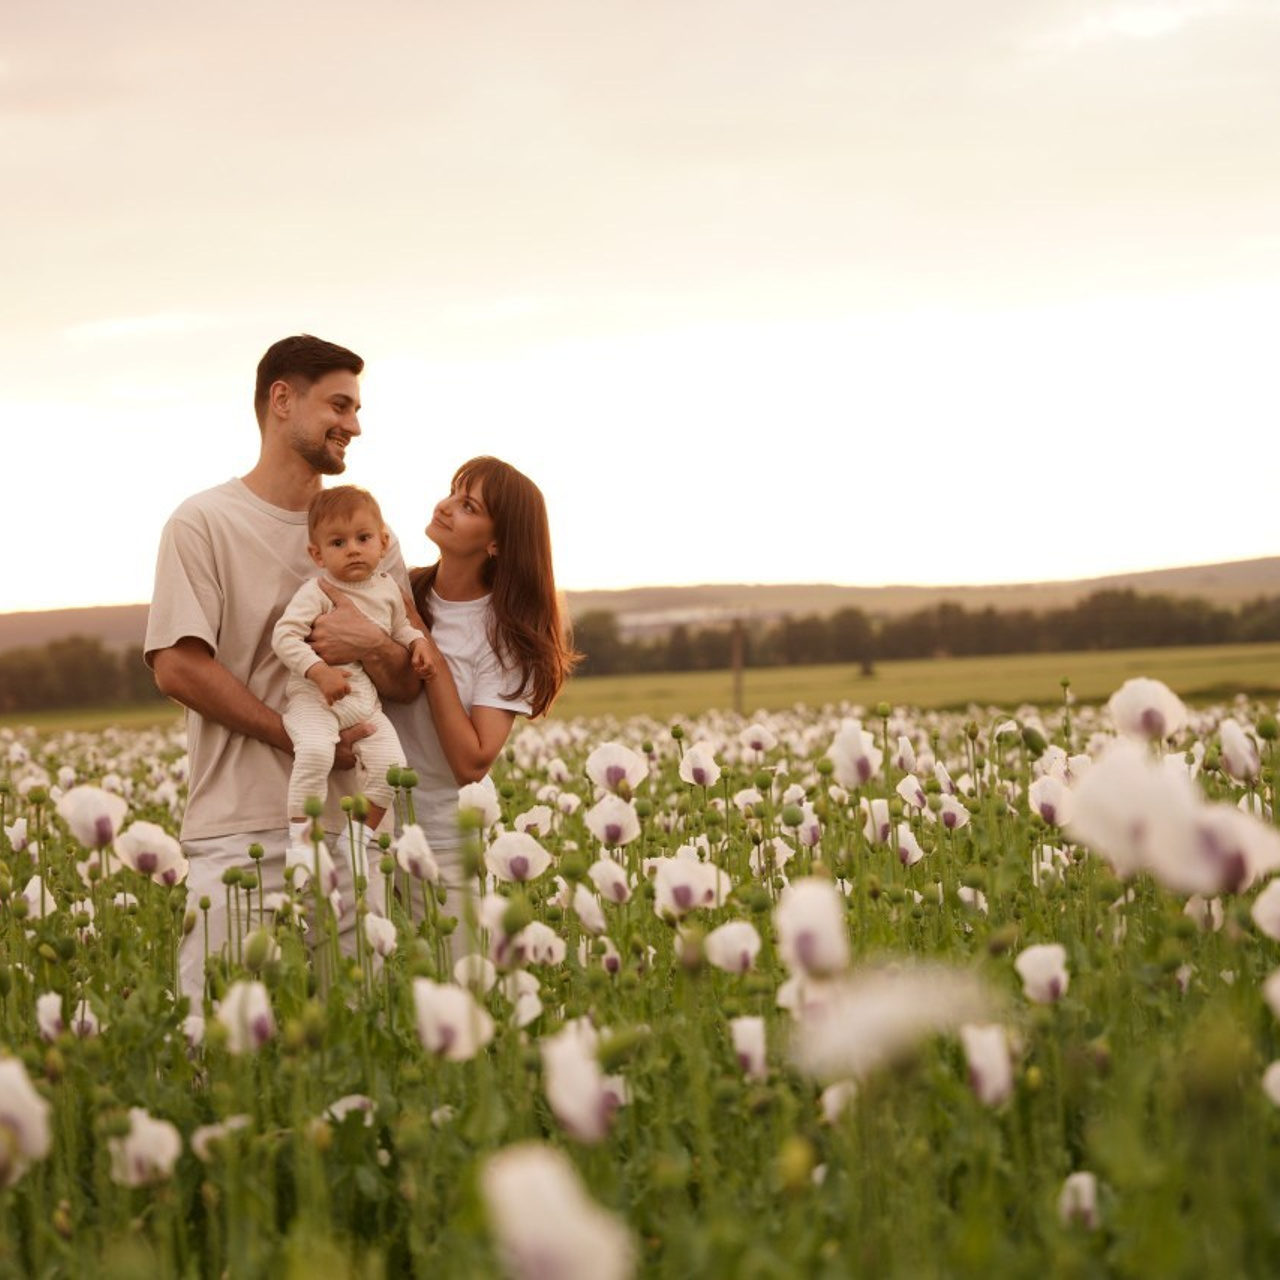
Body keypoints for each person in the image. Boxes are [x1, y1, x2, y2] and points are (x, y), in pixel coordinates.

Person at [145, 335, 418, 1003]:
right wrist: (294, 735)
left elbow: (410, 678)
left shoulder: (372, 533)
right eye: (340, 405)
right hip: (240, 828)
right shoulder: (204, 522)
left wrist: (371, 645)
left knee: (362, 1040)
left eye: (356, 409)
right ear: (282, 399)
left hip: (354, 830)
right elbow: (178, 668)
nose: (354, 424)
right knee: (215, 1046)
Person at [321, 456, 578, 925]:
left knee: (460, 984)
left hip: (442, 832)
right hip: (362, 816)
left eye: (469, 506)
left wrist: (430, 657)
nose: (446, 507)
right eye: (453, 493)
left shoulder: (507, 637)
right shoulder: (397, 591)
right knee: (359, 978)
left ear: (497, 542)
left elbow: (471, 762)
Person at [273, 485, 432, 842]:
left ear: (383, 542)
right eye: (338, 543)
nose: (354, 550)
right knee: (313, 752)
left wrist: (418, 642)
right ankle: (301, 842)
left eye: (363, 538)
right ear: (317, 554)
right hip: (315, 699)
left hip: (364, 705)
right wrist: (319, 671)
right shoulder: (317, 592)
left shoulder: (387, 588)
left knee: (391, 769)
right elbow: (284, 637)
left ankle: (357, 840)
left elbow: (400, 628)